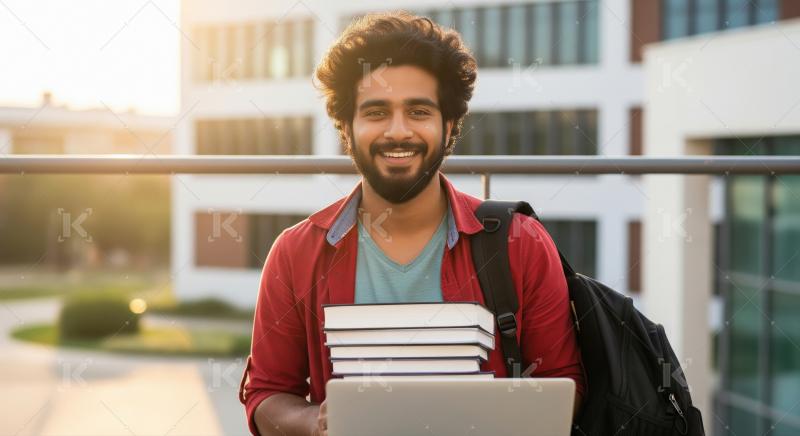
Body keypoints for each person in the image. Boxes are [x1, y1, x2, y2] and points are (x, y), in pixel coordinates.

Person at [239, 11, 585, 436]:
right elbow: (266, 395)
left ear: (450, 124)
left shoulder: (521, 242)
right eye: (377, 112)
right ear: (347, 127)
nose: (397, 131)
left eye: (419, 111)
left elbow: (565, 388)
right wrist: (314, 422)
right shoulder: (296, 252)